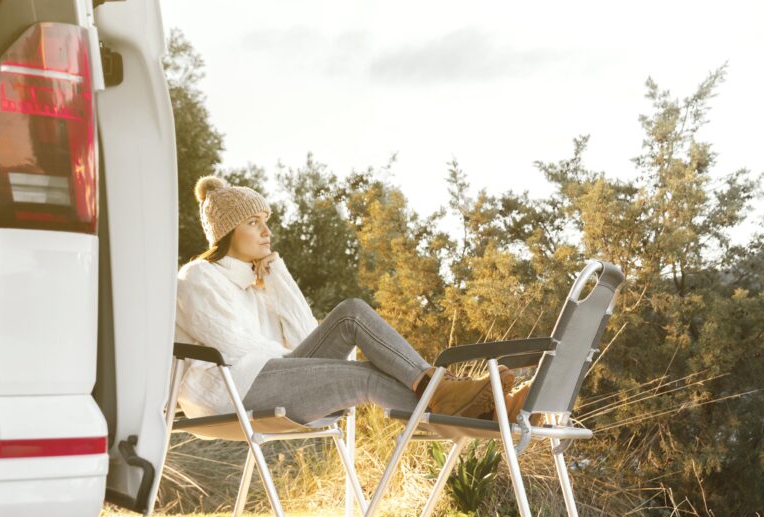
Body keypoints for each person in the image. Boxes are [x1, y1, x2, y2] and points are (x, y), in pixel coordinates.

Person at [175, 176, 529, 424]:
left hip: (273, 376)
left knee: (352, 313)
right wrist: (302, 364)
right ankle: (475, 408)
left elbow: (303, 338)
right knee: (365, 377)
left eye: (266, 221)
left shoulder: (261, 281)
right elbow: (232, 350)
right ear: (226, 233)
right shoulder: (198, 278)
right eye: (254, 222)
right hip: (232, 391)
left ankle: (455, 396)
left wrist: (279, 279)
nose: (267, 232)